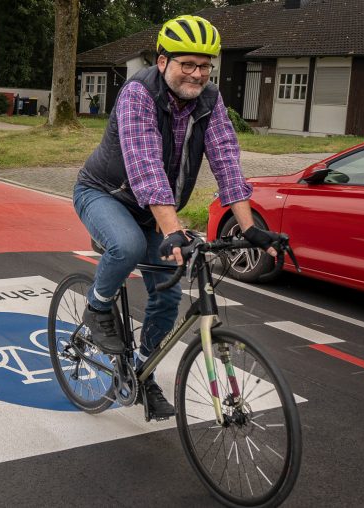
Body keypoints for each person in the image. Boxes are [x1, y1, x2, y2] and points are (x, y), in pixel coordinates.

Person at [73, 15, 279, 419]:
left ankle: (140, 371)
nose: (198, 74)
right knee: (128, 245)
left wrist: (251, 228)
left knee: (168, 292)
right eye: (188, 64)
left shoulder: (210, 99)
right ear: (163, 60)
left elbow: (226, 162)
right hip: (105, 194)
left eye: (205, 66)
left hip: (156, 209)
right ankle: (96, 308)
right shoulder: (137, 94)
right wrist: (174, 230)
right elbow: (146, 165)